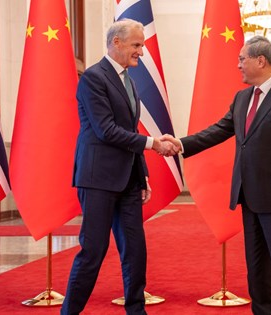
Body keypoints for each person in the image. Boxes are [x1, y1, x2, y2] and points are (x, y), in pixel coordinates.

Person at [163, 35, 271, 315]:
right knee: (257, 269)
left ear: (260, 60)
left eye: (242, 59)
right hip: (250, 196)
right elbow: (219, 130)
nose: (238, 65)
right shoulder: (243, 97)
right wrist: (180, 144)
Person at [61, 19, 176, 315]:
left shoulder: (129, 80)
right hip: (98, 179)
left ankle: (136, 311)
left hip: (128, 181)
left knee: (135, 251)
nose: (142, 51)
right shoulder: (93, 78)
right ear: (117, 43)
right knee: (93, 252)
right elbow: (106, 131)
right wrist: (153, 144)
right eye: (137, 45)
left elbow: (130, 128)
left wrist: (143, 176)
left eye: (142, 45)